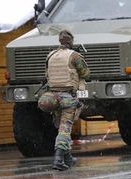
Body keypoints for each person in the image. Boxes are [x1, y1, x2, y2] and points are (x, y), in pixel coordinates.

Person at [37, 30, 90, 171]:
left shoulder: (51, 56)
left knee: (60, 127)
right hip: (67, 97)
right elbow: (85, 73)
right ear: (71, 41)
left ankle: (68, 158)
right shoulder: (74, 56)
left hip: (52, 96)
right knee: (65, 129)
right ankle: (58, 160)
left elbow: (47, 75)